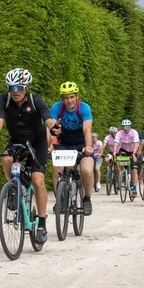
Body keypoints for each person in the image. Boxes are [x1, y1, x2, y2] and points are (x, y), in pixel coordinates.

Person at [0, 67, 55, 245]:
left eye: (20, 87)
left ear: (26, 87)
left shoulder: (35, 100)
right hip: (17, 141)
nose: (15, 91)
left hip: (37, 144)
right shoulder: (3, 100)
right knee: (6, 158)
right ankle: (16, 188)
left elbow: (48, 118)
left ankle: (42, 225)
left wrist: (53, 127)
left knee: (38, 180)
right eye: (12, 86)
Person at [49, 82, 95, 214]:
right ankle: (60, 199)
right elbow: (49, 128)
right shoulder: (57, 108)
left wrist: (88, 146)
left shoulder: (84, 108)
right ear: (62, 99)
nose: (69, 101)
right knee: (56, 167)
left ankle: (87, 198)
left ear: (77, 96)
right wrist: (47, 147)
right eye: (66, 98)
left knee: (87, 170)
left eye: (72, 97)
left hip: (82, 144)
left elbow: (87, 129)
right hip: (65, 144)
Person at [112, 119, 141, 196]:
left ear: (130, 127)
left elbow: (136, 145)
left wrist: (134, 154)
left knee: (134, 170)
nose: (126, 129)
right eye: (124, 127)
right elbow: (116, 143)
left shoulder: (134, 132)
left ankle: (134, 188)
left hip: (133, 151)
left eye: (127, 127)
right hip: (123, 150)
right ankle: (122, 175)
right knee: (119, 161)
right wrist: (114, 152)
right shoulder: (119, 133)